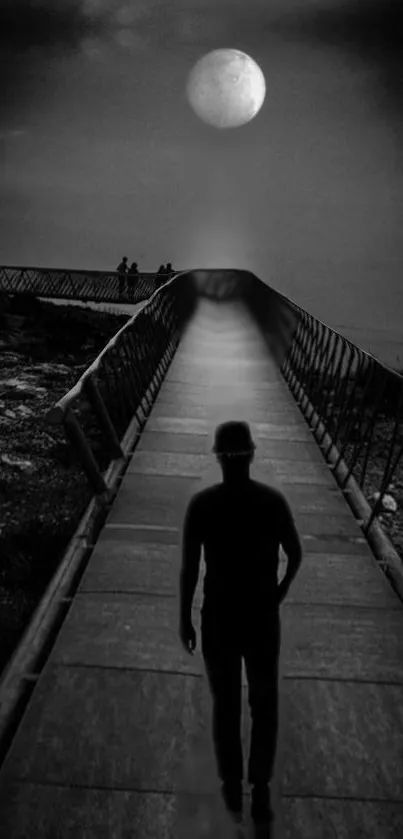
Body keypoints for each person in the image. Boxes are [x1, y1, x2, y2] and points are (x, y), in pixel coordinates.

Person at [179, 421, 302, 837]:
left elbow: (190, 569)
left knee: (225, 706)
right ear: (252, 455)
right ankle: (260, 787)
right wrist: (279, 593)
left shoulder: (202, 505)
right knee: (263, 705)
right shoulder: (272, 502)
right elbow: (296, 554)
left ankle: (232, 786)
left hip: (218, 618)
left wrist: (184, 616)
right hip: (262, 618)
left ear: (218, 458)